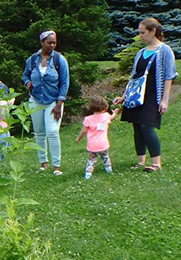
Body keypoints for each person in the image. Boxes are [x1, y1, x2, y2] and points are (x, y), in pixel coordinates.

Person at [113, 18, 177, 172]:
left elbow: (169, 76)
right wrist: (124, 96)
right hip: (137, 96)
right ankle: (140, 161)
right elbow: (133, 77)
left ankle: (156, 163)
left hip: (153, 96)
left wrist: (164, 100)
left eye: (143, 32)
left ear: (153, 31)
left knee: (147, 126)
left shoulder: (164, 50)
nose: (140, 36)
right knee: (137, 127)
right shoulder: (141, 52)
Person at [22, 30, 70, 174]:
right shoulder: (32, 60)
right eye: (49, 42)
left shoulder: (59, 60)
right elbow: (25, 75)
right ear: (42, 42)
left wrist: (59, 104)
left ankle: (56, 166)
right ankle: (43, 164)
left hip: (53, 102)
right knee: (39, 133)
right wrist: (27, 82)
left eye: (54, 42)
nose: (52, 45)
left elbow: (64, 82)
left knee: (53, 132)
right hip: (35, 100)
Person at [75, 97, 120, 179]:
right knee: (105, 157)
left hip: (92, 146)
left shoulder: (88, 119)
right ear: (104, 108)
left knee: (91, 160)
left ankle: (88, 174)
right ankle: (108, 169)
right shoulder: (106, 116)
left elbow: (83, 131)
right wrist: (115, 113)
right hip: (103, 144)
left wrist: (78, 138)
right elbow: (112, 117)